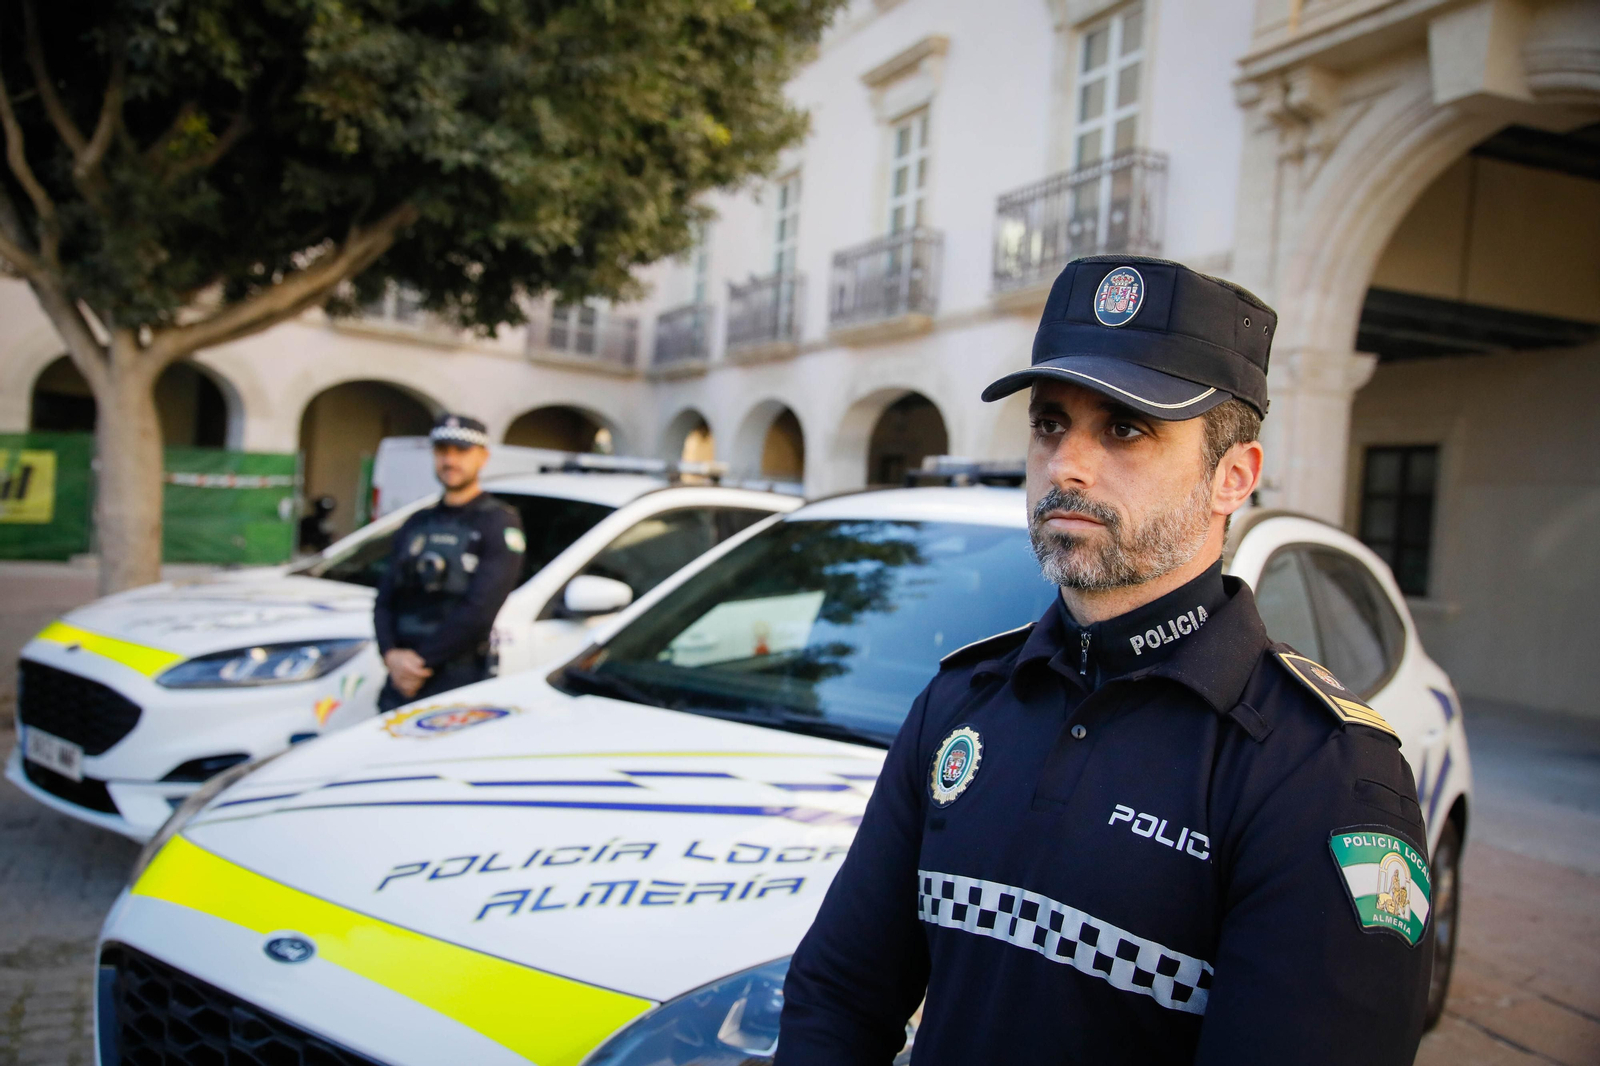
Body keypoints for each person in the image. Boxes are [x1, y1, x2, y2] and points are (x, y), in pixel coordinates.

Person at [777, 256, 1432, 1065]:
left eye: (1124, 428)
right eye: (1051, 423)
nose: (1066, 465)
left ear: (1233, 477)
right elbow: (838, 995)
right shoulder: (961, 703)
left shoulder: (1322, 772)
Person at [374, 414, 525, 712]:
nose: (450, 460)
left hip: (455, 678)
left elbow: (480, 609)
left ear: (483, 457)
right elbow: (385, 599)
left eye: (462, 451)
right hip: (400, 678)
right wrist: (391, 655)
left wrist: (418, 665)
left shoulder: (498, 522)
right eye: (443, 451)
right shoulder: (418, 522)